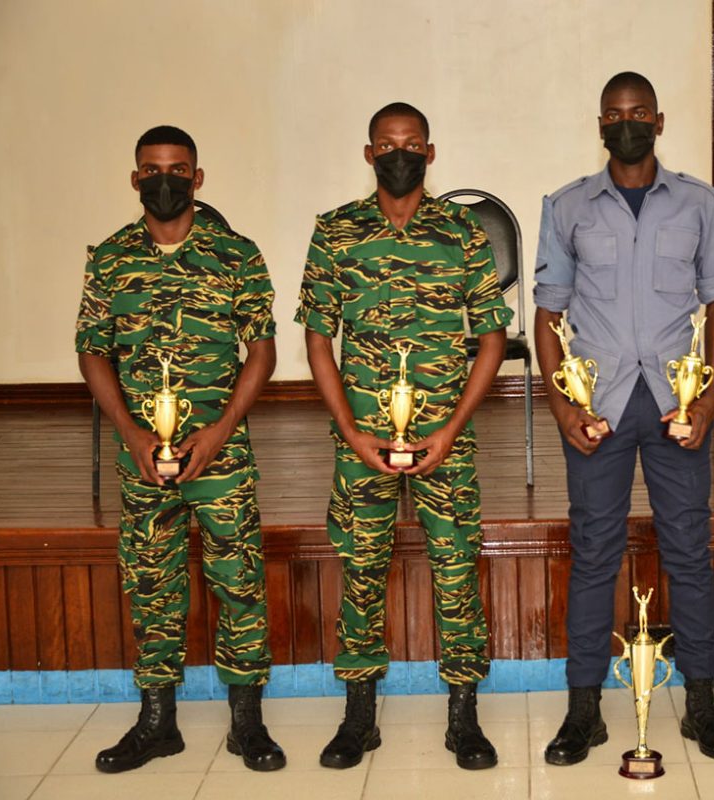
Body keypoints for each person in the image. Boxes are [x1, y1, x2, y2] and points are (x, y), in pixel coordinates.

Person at [534, 71, 714, 764]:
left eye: (639, 113)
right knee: (594, 551)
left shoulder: (699, 204)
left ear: (659, 120)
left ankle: (702, 704)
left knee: (689, 548)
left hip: (677, 403)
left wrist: (709, 398)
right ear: (601, 125)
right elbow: (547, 314)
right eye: (614, 114)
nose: (627, 123)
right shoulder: (566, 207)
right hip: (599, 405)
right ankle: (583, 708)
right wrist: (562, 404)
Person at [296, 102, 511, 771]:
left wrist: (452, 427)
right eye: (387, 144)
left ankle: (463, 714)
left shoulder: (462, 232)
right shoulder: (336, 232)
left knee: (455, 570)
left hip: (445, 436)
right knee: (360, 568)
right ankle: (360, 713)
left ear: (431, 152)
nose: (399, 154)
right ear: (368, 154)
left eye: (412, 144)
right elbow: (316, 338)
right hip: (362, 438)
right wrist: (348, 429)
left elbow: (493, 337)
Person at [76, 125, 284, 772]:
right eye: (151, 169)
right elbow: (91, 351)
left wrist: (220, 429)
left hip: (220, 454)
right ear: (135, 178)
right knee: (150, 584)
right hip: (144, 459)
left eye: (177, 168)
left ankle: (247, 724)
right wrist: (133, 435)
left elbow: (263, 352)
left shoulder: (236, 254)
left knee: (240, 582)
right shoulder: (110, 259)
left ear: (198, 178)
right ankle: (157, 722)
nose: (164, 179)